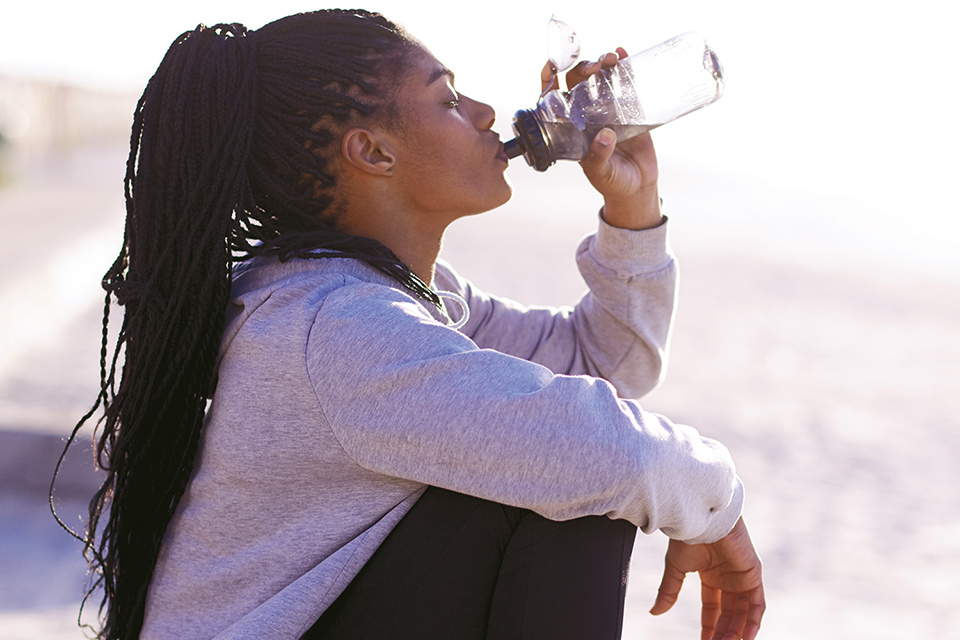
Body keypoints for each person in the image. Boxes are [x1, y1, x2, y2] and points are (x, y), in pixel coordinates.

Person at [60, 9, 764, 640]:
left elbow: (602, 365)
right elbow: (610, 450)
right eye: (450, 100)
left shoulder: (385, 298)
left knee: (564, 464)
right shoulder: (340, 331)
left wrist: (632, 211)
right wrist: (718, 504)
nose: (489, 112)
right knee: (578, 485)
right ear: (372, 152)